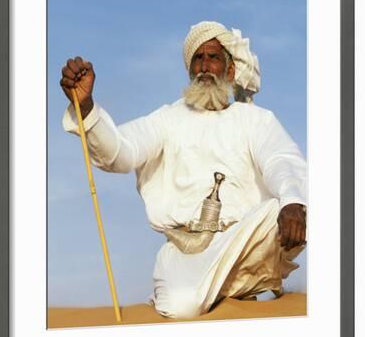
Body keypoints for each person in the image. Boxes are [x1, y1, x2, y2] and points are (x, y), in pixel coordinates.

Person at [59, 21, 307, 319]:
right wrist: (86, 108)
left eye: (213, 57)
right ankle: (217, 289)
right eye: (197, 59)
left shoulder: (256, 120)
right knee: (181, 306)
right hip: (190, 251)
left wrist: (293, 201)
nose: (204, 66)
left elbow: (281, 159)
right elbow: (121, 152)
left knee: (301, 203)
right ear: (190, 70)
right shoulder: (167, 119)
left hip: (244, 240)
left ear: (229, 70)